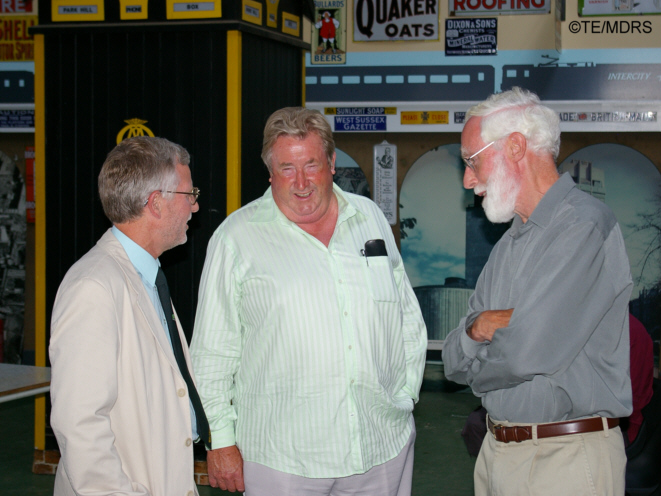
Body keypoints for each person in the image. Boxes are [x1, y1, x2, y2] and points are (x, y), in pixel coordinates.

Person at [191, 107, 427, 495]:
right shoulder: (236, 238)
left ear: (332, 163)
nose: (300, 182)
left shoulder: (369, 218)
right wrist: (222, 440)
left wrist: (404, 397)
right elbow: (212, 354)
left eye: (311, 165)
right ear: (269, 172)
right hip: (284, 461)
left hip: (381, 445)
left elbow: (405, 317)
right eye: (286, 168)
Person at [442, 87, 633, 496]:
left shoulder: (584, 227)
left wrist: (482, 371)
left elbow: (528, 350)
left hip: (564, 458)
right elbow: (453, 361)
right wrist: (480, 328)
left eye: (472, 161)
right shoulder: (509, 243)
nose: (468, 179)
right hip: (498, 454)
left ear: (514, 146)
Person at [49, 136, 210, 496]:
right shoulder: (94, 287)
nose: (195, 208)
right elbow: (79, 424)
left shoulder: (145, 276)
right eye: (190, 195)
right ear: (156, 203)